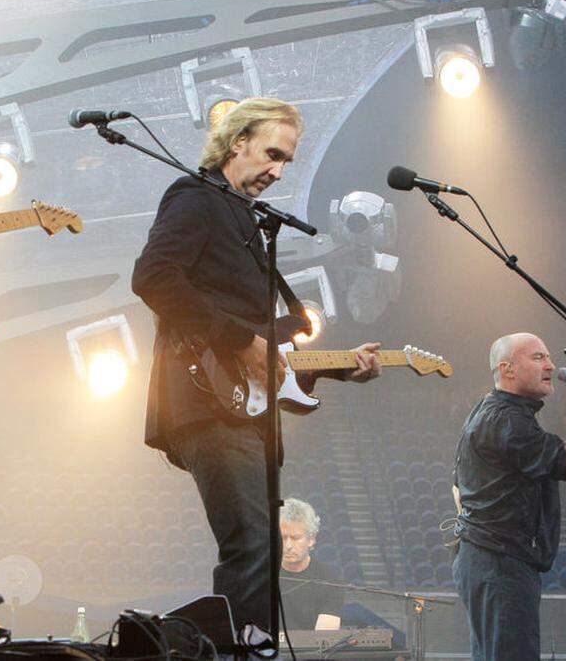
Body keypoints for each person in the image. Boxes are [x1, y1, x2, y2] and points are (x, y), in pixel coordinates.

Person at [131, 97, 381, 641]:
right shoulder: (195, 198)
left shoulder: (249, 221)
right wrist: (242, 339)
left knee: (260, 544)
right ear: (236, 140)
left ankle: (244, 645)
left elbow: (266, 347)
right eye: (272, 153)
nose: (278, 170)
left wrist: (336, 368)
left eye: (288, 160)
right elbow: (153, 278)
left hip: (244, 405)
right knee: (251, 544)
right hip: (207, 398)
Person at [452, 332, 566, 660]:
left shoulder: (489, 409)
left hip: (487, 558)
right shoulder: (508, 420)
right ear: (507, 369)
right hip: (501, 563)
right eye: (538, 358)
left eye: (549, 357)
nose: (550, 365)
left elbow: (458, 489)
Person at [279, 498, 344, 630]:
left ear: (311, 540)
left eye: (296, 538)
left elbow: (324, 638)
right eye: (283, 538)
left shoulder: (330, 579)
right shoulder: (262, 576)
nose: (288, 546)